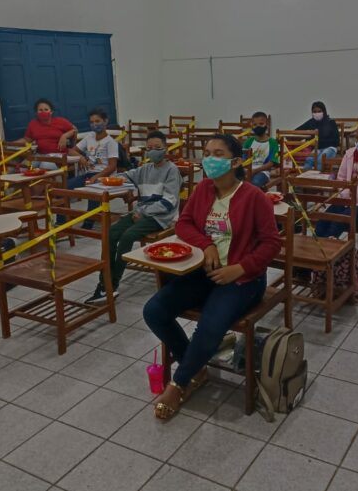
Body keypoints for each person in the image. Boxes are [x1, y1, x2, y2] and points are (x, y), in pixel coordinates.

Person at [143, 134, 281, 421]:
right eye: (207, 153)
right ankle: (193, 365)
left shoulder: (254, 197)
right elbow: (185, 222)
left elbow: (271, 244)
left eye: (218, 154)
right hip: (205, 272)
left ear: (236, 161)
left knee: (210, 323)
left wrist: (240, 268)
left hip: (244, 279)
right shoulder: (204, 189)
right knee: (154, 310)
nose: (210, 159)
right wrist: (206, 245)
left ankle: (178, 383)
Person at [87, 131, 183, 303]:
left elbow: (169, 202)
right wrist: (107, 179)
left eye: (157, 148)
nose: (153, 151)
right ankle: (104, 283)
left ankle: (112, 285)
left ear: (165, 148)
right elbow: (126, 176)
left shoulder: (172, 170)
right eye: (149, 148)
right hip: (141, 212)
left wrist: (143, 212)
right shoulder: (146, 168)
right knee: (111, 233)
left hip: (161, 216)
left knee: (127, 236)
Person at [67, 108, 119, 228]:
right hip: (89, 173)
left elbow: (112, 166)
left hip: (104, 175)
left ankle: (89, 223)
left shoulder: (110, 142)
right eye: (92, 122)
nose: (94, 124)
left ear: (105, 121)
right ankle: (61, 222)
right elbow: (72, 151)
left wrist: (96, 177)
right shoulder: (89, 137)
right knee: (65, 188)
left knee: (93, 190)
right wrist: (81, 158)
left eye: (97, 121)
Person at [14, 99, 78, 169]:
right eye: (40, 110)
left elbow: (74, 130)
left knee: (45, 166)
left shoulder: (61, 121)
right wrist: (10, 144)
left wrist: (64, 136)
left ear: (51, 111)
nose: (43, 112)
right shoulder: (33, 124)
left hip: (56, 154)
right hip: (39, 154)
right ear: (36, 112)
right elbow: (27, 139)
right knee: (23, 168)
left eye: (46, 109)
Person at [297, 101, 340, 170]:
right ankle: (305, 179)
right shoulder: (311, 122)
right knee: (309, 160)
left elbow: (337, 141)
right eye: (314, 112)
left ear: (324, 111)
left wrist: (318, 142)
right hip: (317, 149)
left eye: (319, 111)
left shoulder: (330, 122)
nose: (317, 113)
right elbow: (297, 131)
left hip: (330, 148)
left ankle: (318, 179)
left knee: (320, 160)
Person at [242, 111, 279, 189]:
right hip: (247, 171)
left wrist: (255, 170)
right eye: (255, 124)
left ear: (267, 125)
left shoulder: (272, 142)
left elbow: (271, 163)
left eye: (261, 124)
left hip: (263, 172)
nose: (258, 127)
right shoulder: (248, 141)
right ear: (251, 125)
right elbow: (242, 158)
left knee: (255, 183)